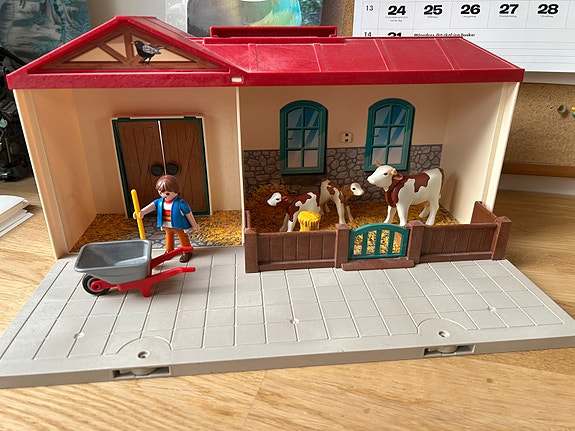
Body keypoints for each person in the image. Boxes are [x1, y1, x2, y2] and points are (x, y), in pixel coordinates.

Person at [135, 175, 200, 263]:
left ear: (176, 191)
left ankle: (187, 251)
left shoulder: (181, 203)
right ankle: (169, 251)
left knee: (183, 237)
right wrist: (142, 212)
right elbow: (151, 206)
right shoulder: (160, 201)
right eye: (160, 193)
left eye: (167, 193)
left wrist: (194, 225)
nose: (163, 195)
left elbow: (189, 214)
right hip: (166, 224)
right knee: (168, 236)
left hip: (179, 225)